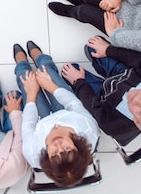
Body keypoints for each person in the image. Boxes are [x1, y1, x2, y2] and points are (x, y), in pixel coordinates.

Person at [60, 36, 141, 145]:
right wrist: (108, 50)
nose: (138, 100)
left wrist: (79, 81)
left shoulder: (115, 126)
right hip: (122, 73)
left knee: (69, 71)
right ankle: (101, 63)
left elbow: (92, 106)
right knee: (94, 46)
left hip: (102, 95)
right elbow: (137, 58)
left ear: (137, 122)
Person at [14, 41, 99, 188]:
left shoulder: (33, 153)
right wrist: (49, 85)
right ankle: (39, 57)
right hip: (65, 111)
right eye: (67, 149)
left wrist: (32, 94)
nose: (58, 144)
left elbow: (28, 124)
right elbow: (74, 104)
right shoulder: (88, 129)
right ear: (77, 147)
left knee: (25, 79)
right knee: (47, 72)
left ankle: (21, 64)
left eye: (54, 153)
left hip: (40, 121)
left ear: (47, 158)